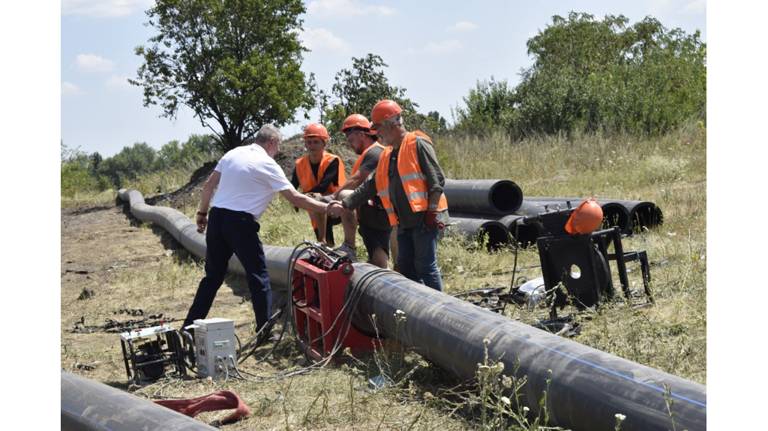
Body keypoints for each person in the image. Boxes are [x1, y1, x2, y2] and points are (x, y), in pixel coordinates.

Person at [183, 124, 332, 335]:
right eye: (277, 145)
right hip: (240, 222)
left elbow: (208, 185)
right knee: (258, 276)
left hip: (217, 218)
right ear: (271, 142)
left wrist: (202, 214)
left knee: (212, 277)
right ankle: (264, 331)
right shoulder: (266, 163)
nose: (278, 150)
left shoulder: (233, 153)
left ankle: (188, 328)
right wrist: (328, 208)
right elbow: (295, 198)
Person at [328, 100, 449, 291]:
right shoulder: (387, 154)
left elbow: (437, 180)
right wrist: (345, 205)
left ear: (392, 123)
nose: (376, 132)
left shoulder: (418, 143)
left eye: (377, 127)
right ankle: (418, 308)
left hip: (425, 219)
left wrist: (432, 213)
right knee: (407, 269)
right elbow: (370, 186)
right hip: (404, 222)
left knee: (425, 266)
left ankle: (440, 312)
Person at [330, 113, 391, 268]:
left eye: (351, 139)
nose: (350, 144)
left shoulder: (375, 152)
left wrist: (334, 196)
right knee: (379, 262)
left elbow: (357, 180)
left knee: (344, 195)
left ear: (361, 134)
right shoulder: (371, 152)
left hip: (378, 211)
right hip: (374, 210)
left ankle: (349, 246)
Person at [291, 123, 347, 246]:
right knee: (314, 201)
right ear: (305, 144)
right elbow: (292, 185)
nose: (312, 145)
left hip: (337, 204)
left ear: (324, 143)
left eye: (316, 142)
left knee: (315, 198)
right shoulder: (300, 163)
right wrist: (294, 199)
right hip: (314, 204)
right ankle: (326, 247)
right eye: (309, 142)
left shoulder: (332, 161)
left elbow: (323, 186)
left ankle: (327, 245)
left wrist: (301, 198)